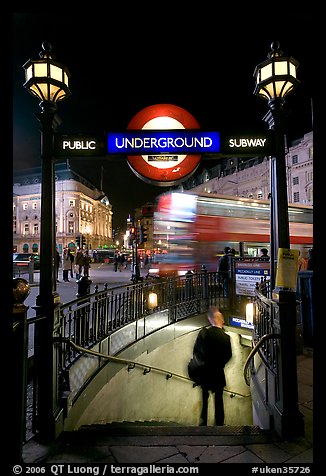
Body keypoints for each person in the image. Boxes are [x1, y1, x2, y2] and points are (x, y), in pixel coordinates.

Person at [192, 306, 232, 426]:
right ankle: (219, 422)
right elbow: (229, 355)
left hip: (205, 371)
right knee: (219, 398)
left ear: (210, 320)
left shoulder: (204, 333)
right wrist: (220, 364)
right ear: (220, 320)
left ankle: (203, 421)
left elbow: (196, 352)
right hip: (218, 371)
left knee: (205, 396)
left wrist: (203, 362)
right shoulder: (226, 337)